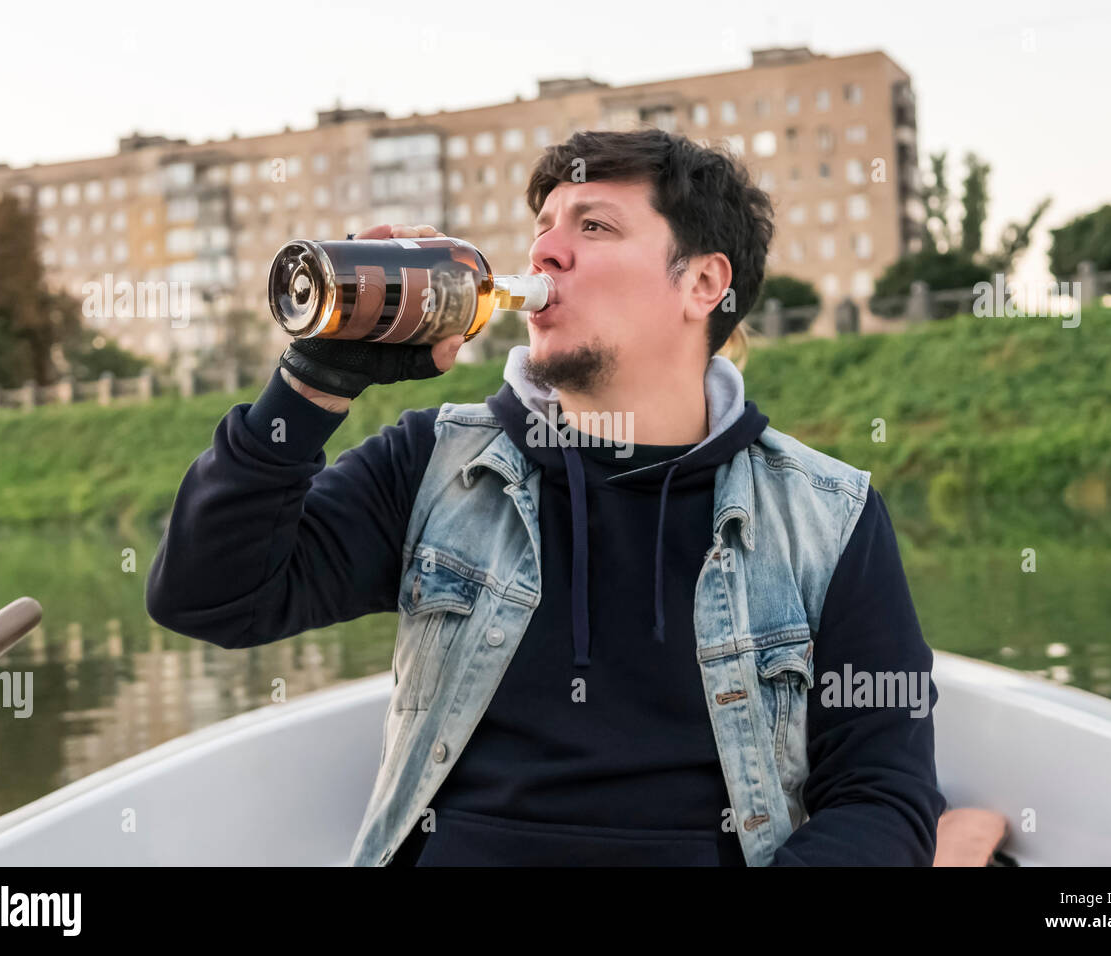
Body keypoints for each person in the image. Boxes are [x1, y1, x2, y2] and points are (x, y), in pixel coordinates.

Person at [146, 128, 946, 866]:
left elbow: (883, 799)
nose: (547, 251)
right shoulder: (433, 462)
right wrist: (313, 383)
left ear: (703, 281)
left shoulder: (826, 515)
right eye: (544, 227)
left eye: (593, 227)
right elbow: (210, 599)